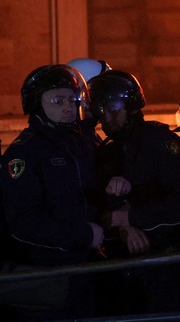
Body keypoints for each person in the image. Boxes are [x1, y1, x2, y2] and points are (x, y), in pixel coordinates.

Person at [88, 69, 180, 316]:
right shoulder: (106, 153)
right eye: (102, 111)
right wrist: (124, 226)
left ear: (132, 106)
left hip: (168, 261)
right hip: (126, 269)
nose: (107, 119)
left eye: (114, 109)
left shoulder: (159, 143)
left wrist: (131, 217)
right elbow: (100, 210)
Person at [0, 64, 104, 320]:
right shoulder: (25, 152)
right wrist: (83, 234)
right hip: (49, 275)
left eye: (72, 99)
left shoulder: (82, 141)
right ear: (37, 104)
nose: (68, 106)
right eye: (58, 100)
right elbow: (23, 221)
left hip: (89, 266)